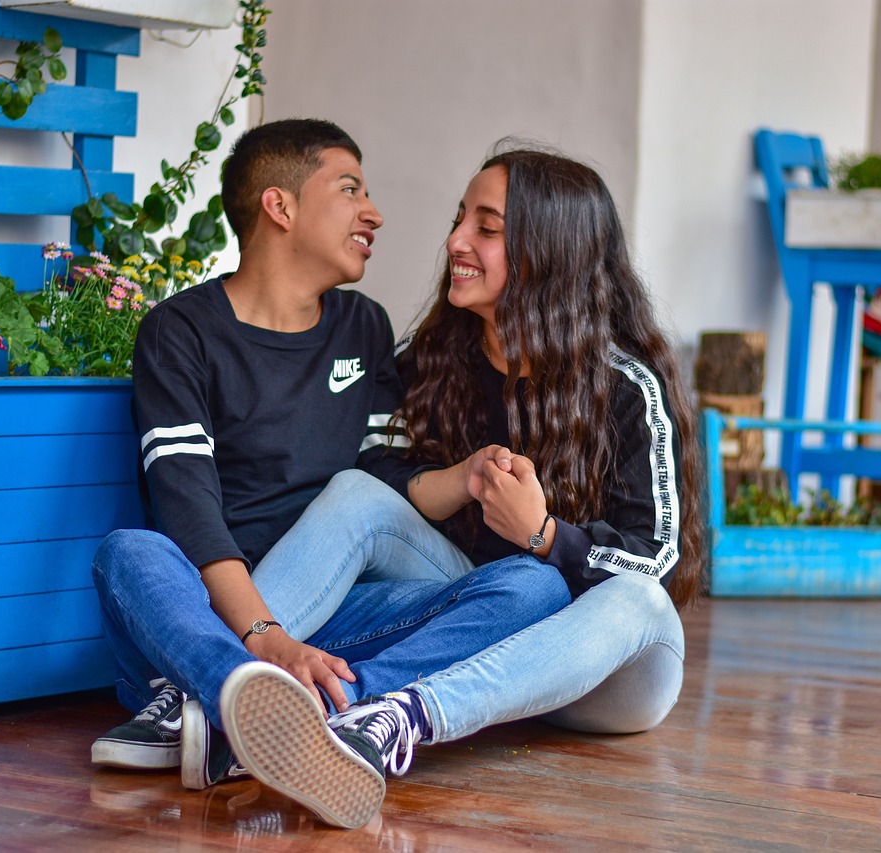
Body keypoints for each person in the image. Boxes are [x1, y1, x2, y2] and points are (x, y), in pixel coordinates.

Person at [215, 146, 708, 828]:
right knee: (358, 493)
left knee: (640, 600)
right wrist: (459, 480)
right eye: (460, 219)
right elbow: (374, 465)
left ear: (548, 252)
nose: (455, 241)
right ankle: (216, 686)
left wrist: (543, 535)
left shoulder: (626, 387)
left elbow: (658, 558)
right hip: (479, 620)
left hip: (596, 671)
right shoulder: (432, 360)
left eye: (487, 227)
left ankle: (392, 718)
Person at [89, 121, 572, 803]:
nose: (373, 213)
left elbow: (383, 477)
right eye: (350, 190)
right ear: (280, 206)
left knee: (535, 588)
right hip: (198, 616)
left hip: (339, 619)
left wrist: (466, 477)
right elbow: (186, 508)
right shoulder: (180, 331)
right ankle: (235, 688)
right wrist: (265, 636)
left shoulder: (362, 327)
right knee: (131, 552)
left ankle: (221, 710)